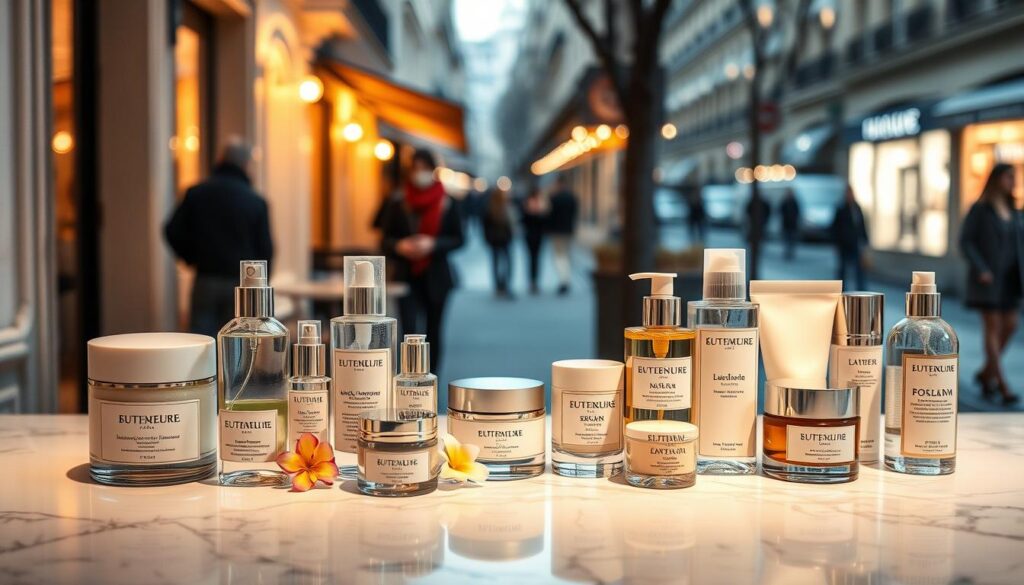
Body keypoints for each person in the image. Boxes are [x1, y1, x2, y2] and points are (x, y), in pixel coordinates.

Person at [165, 139, 273, 338]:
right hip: (240, 284)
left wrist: (191, 257)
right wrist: (260, 286)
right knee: (235, 343)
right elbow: (265, 249)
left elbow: (172, 230)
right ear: (246, 165)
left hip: (206, 277)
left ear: (221, 159)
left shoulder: (197, 193)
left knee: (201, 341)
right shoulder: (255, 201)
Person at [381, 149, 464, 373]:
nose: (420, 173)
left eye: (424, 168)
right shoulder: (398, 201)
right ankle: (410, 378)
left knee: (433, 330)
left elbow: (459, 239)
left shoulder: (447, 202)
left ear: (433, 170)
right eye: (416, 169)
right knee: (408, 331)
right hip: (406, 275)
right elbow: (384, 240)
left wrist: (433, 244)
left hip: (437, 275)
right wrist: (400, 246)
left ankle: (431, 378)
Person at [960, 163, 1023, 406]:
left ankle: (986, 373)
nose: (1012, 181)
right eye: (1009, 177)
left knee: (1011, 325)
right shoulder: (981, 209)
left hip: (1010, 279)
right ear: (997, 179)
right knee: (993, 328)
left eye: (1013, 177)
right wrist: (981, 268)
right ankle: (1002, 384)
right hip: (986, 279)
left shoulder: (1014, 209)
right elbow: (965, 241)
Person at [831, 184, 869, 290]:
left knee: (859, 270)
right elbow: (835, 227)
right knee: (842, 270)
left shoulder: (857, 207)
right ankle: (841, 291)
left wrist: (865, 240)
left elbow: (861, 225)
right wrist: (836, 242)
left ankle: (861, 291)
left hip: (855, 243)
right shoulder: (841, 208)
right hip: (843, 244)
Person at [548, 175, 579, 295]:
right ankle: (566, 279)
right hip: (568, 230)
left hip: (557, 231)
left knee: (559, 256)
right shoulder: (572, 198)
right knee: (566, 255)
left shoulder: (554, 198)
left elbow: (550, 216)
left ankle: (563, 280)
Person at [483, 187, 515, 298]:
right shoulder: (504, 208)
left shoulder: (490, 208)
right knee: (507, 262)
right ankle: (505, 284)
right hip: (503, 239)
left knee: (496, 262)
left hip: (495, 240)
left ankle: (498, 285)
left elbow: (485, 226)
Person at [520, 187, 548, 294]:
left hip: (536, 235)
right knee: (532, 258)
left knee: (535, 258)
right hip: (531, 235)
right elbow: (524, 219)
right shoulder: (528, 204)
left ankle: (534, 281)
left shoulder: (541, 204)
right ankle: (532, 281)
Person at [745, 188, 770, 280]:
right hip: (755, 227)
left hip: (760, 226)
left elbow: (768, 210)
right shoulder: (753, 202)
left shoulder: (761, 202)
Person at [780, 188, 801, 261]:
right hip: (786, 224)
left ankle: (790, 252)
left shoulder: (794, 202)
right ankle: (787, 252)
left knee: (792, 240)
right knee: (786, 240)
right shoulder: (784, 202)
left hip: (792, 225)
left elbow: (798, 212)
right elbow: (780, 211)